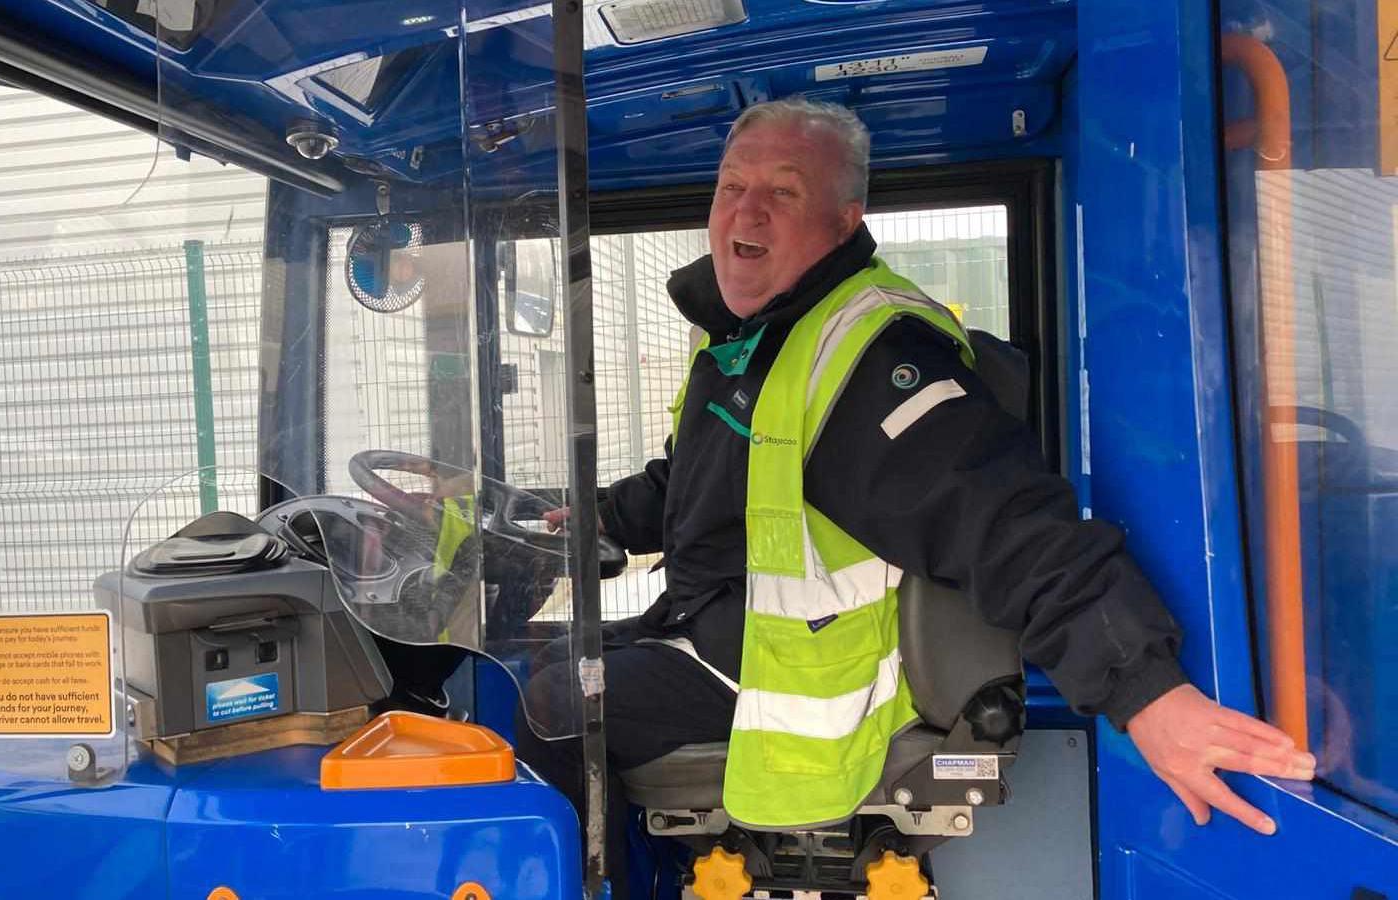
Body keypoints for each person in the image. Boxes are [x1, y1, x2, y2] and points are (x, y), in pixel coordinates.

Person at [517, 97, 1316, 896]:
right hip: (722, 629)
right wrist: (591, 521)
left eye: (783, 192)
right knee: (554, 666)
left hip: (807, 681)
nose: (746, 210)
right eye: (732, 187)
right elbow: (694, 480)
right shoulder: (755, 341)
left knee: (553, 703)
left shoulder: (866, 356)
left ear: (844, 219)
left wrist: (1145, 692)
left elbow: (1000, 519)